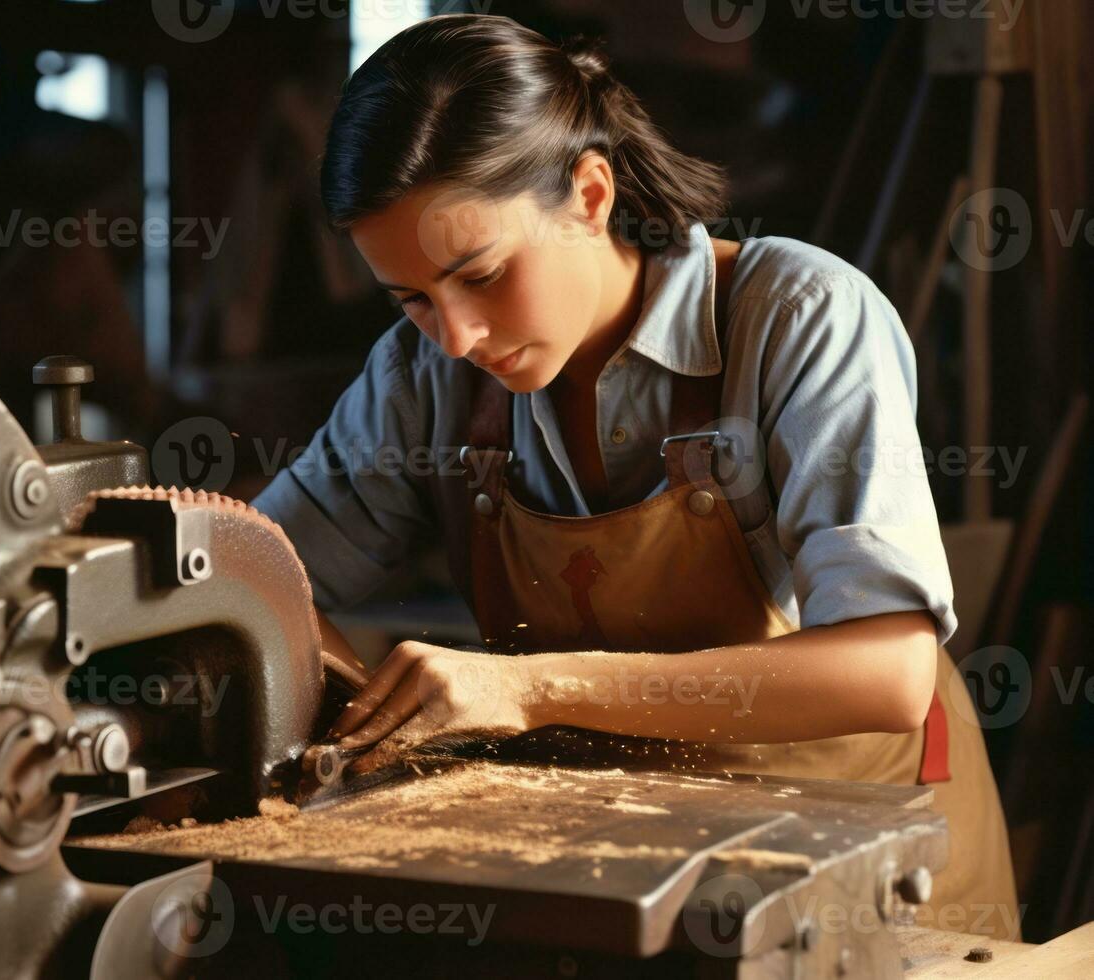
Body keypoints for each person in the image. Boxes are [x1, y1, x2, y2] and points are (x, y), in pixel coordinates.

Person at [251, 14, 1018, 938]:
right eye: (411, 297)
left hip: (868, 865)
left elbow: (887, 671)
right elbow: (258, 580)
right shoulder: (426, 379)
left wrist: (528, 692)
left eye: (482, 275)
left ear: (588, 192)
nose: (454, 335)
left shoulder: (798, 317)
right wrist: (366, 726)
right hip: (623, 862)